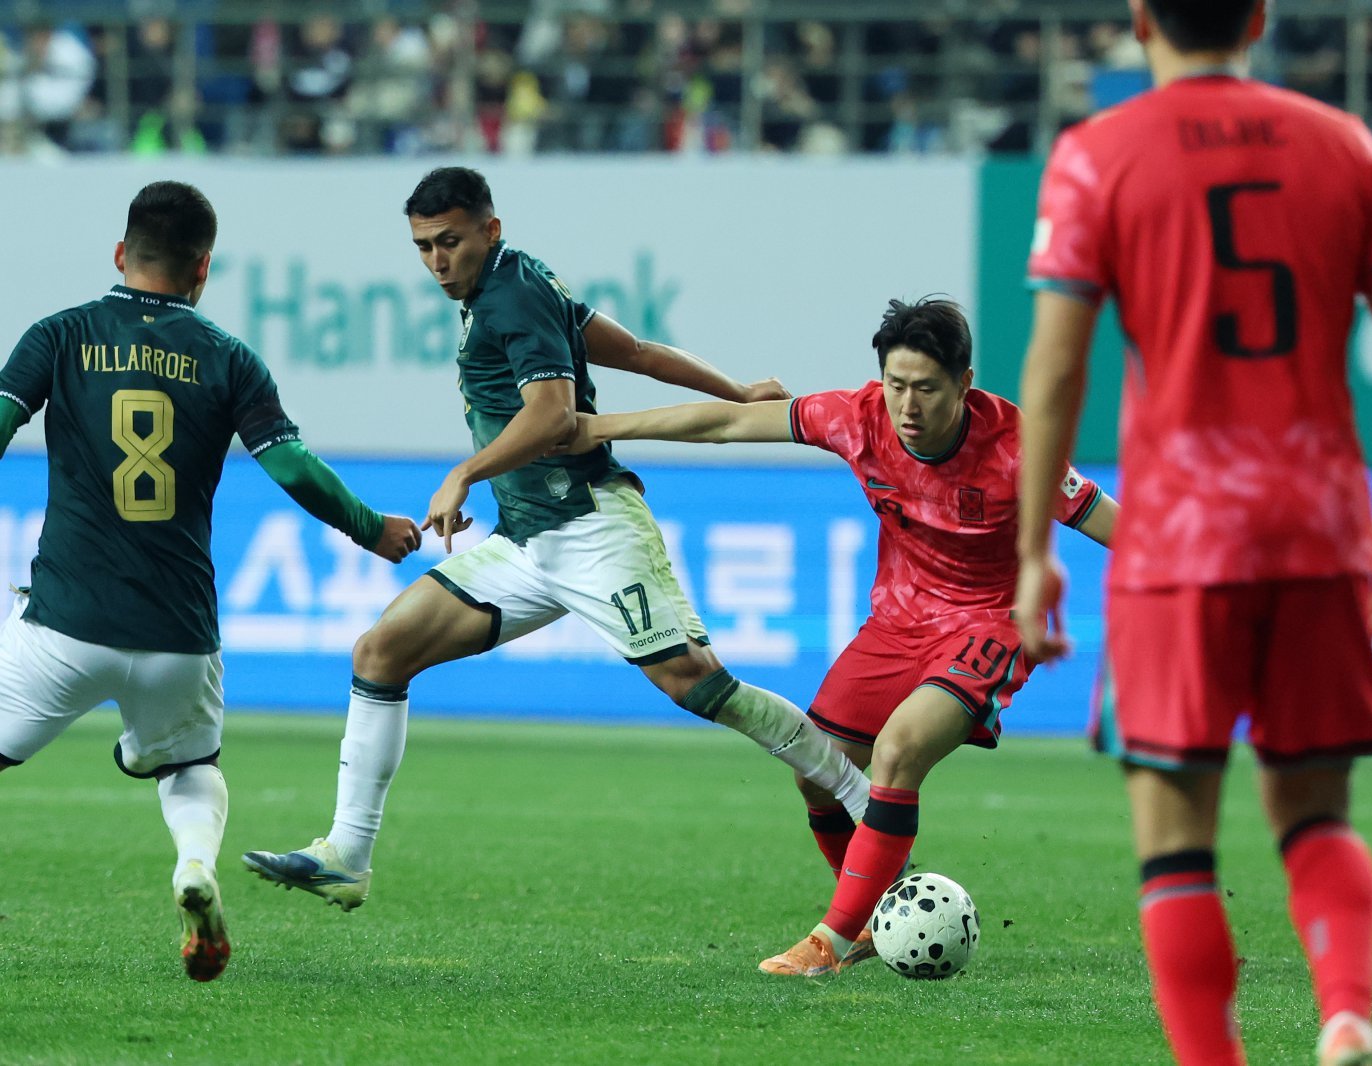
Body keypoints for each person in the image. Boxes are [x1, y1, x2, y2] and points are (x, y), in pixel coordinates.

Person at [241, 166, 869, 911]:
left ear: (490, 229)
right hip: (528, 541)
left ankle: (861, 794)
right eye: (423, 248)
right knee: (382, 651)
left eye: (450, 242)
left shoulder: (512, 293)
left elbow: (555, 417)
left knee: (697, 684)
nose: (438, 261)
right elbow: (634, 349)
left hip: (592, 526)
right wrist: (734, 391)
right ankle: (347, 854)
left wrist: (464, 474)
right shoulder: (512, 282)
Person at [1012, 2, 1372, 1064]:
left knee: (1175, 840)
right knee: (1314, 812)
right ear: (1258, 15)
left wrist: (1032, 549)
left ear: (1138, 16)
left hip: (1180, 539)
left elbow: (1058, 368)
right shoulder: (1344, 144)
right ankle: (1343, 1011)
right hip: (1317, 522)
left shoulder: (1095, 153)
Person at [558, 296, 1116, 975]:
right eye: (896, 384)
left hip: (988, 624)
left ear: (965, 385)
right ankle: (876, 901)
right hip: (897, 623)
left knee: (899, 751)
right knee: (817, 773)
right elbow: (730, 422)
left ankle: (835, 937)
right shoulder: (856, 417)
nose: (907, 405)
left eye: (927, 388)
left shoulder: (1018, 446)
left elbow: (1109, 523)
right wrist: (602, 426)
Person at [0, 181, 420, 982]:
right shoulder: (228, 359)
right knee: (190, 769)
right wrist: (372, 528)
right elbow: (291, 465)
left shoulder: (59, 336)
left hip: (64, 623)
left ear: (121, 255)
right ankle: (194, 863)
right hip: (178, 636)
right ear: (203, 270)